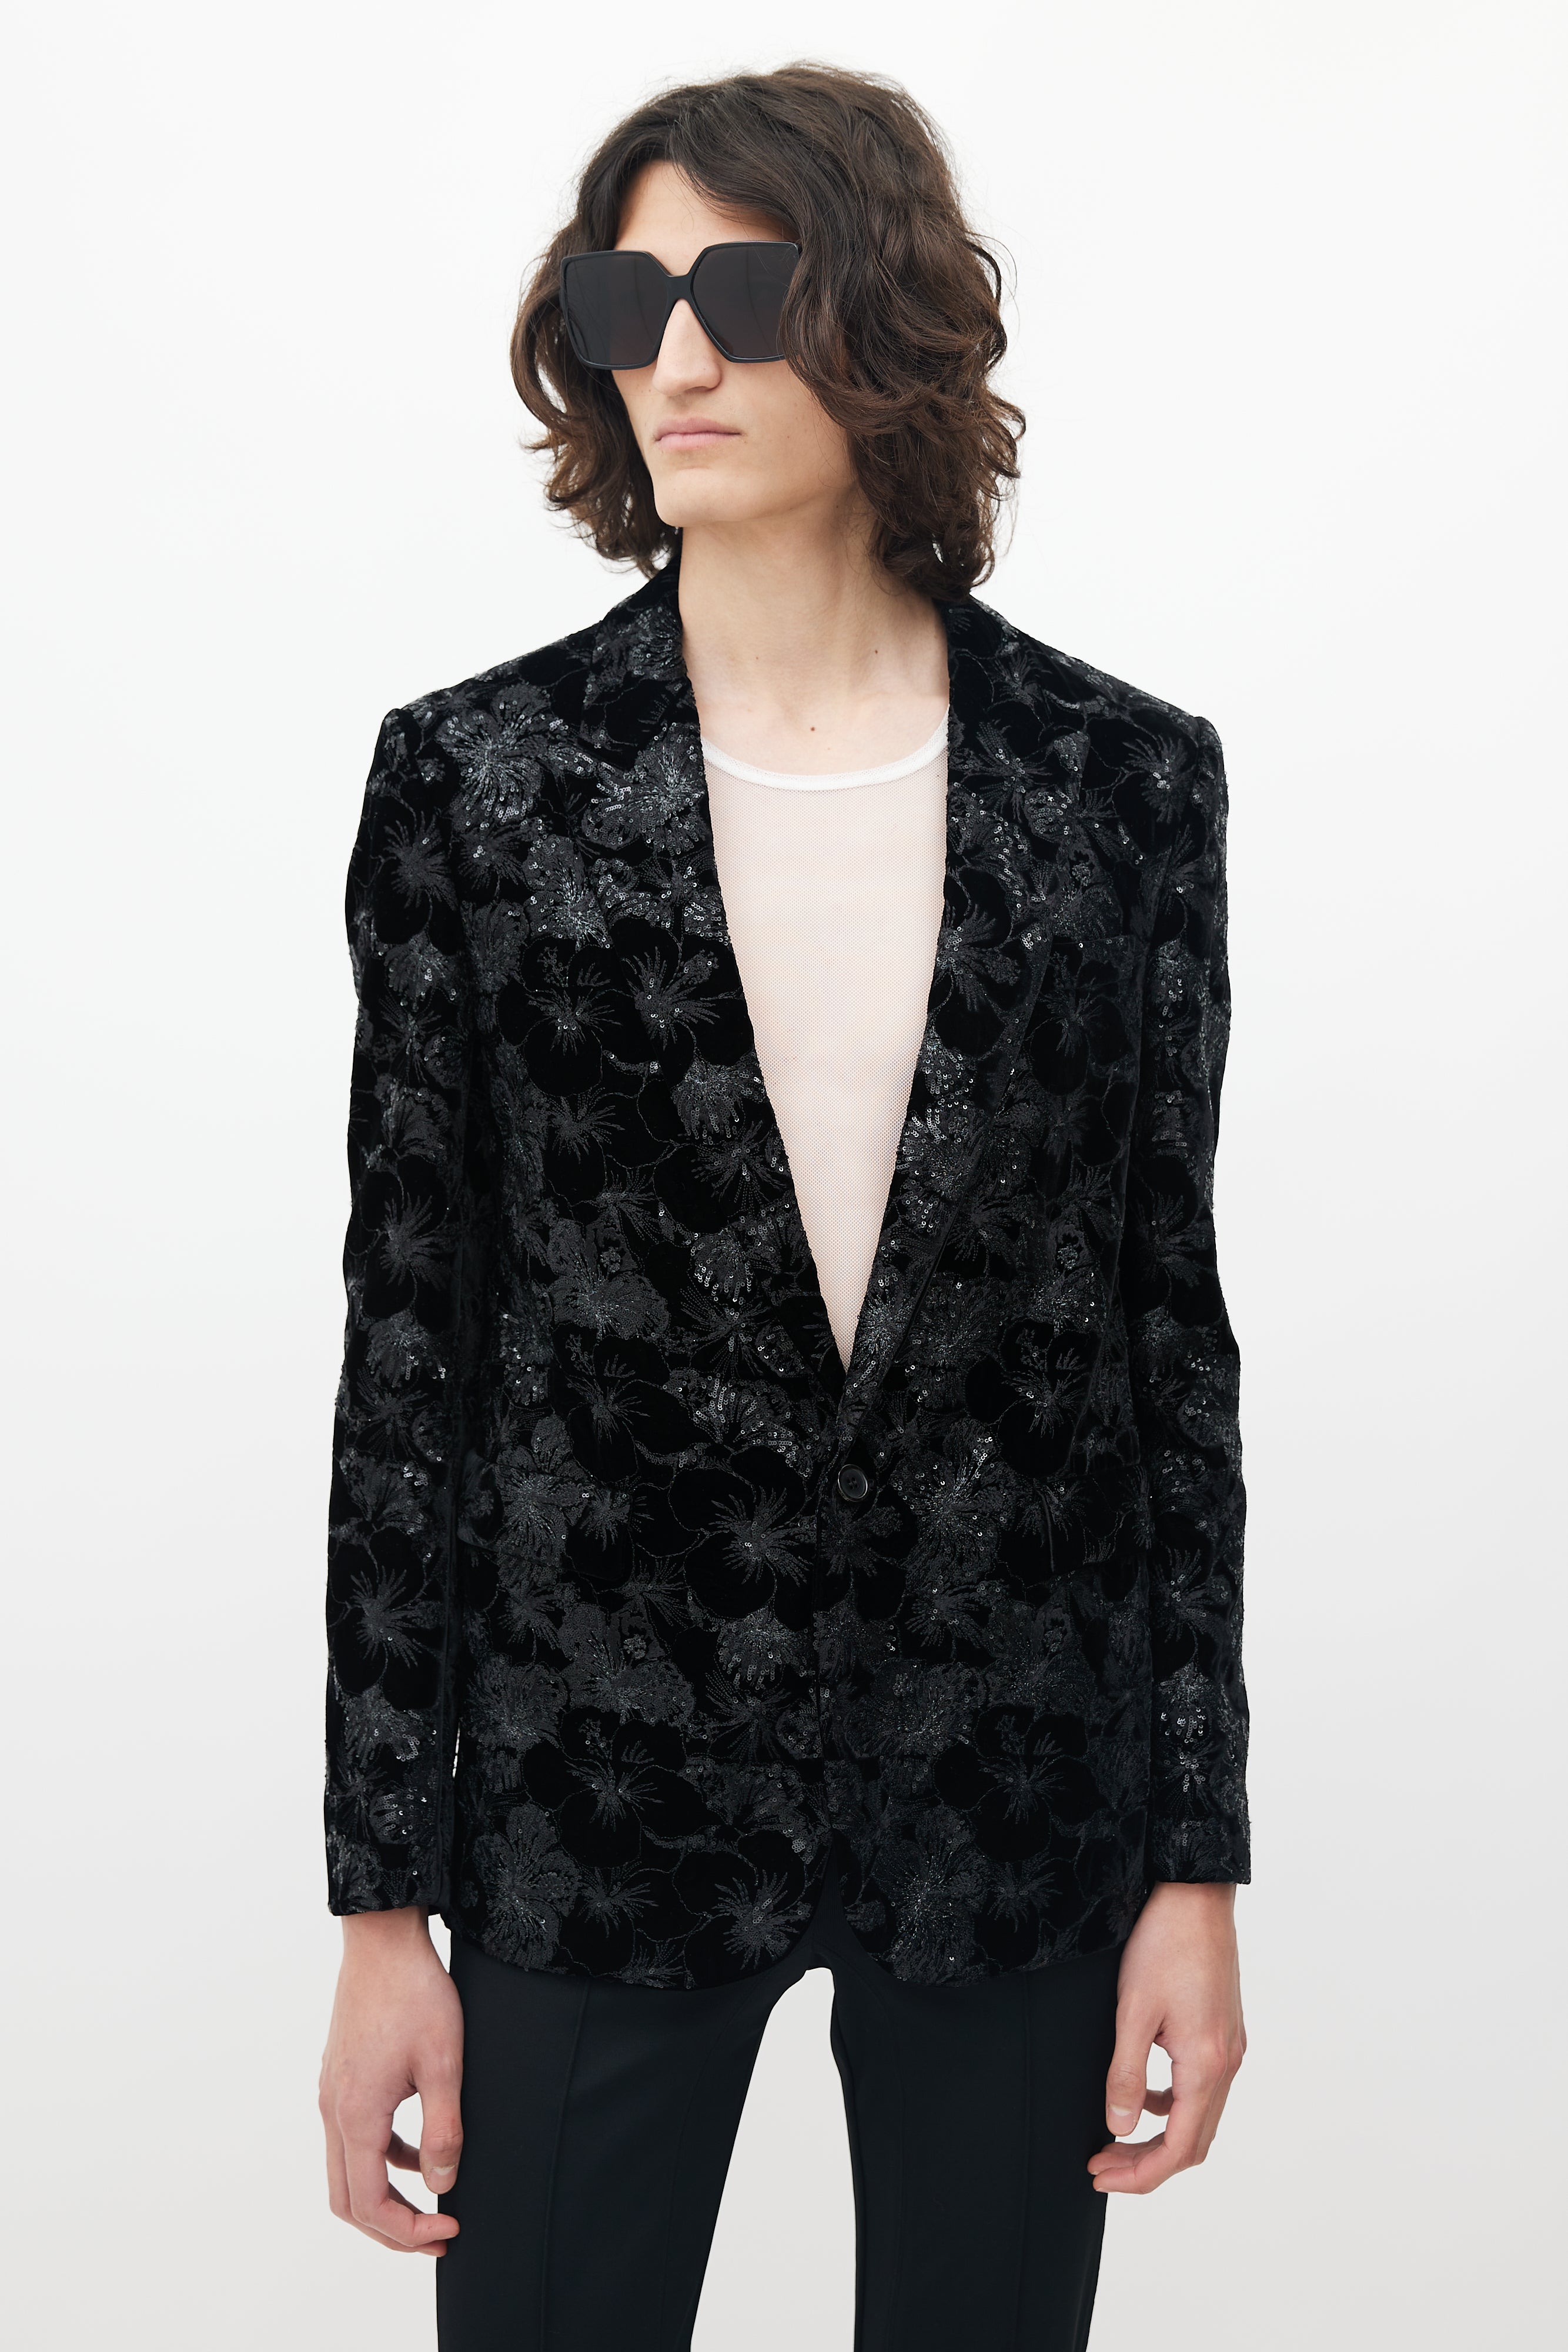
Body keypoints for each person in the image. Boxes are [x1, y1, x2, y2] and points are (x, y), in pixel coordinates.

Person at [317, 62, 1248, 2352]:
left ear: (878, 321)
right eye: (622, 298)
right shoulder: (479, 786)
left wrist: (1192, 1862)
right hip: (587, 1800)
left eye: (736, 290)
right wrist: (380, 1912)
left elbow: (1164, 1338)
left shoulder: (1119, 787)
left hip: (1009, 1802)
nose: (675, 354)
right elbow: (413, 1355)